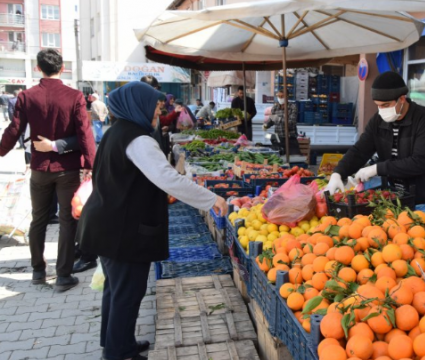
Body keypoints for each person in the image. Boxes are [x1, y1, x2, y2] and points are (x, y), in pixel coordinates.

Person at [76, 81, 227, 360]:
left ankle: (116, 343)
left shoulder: (116, 132)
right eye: (155, 108)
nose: (159, 113)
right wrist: (211, 199)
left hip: (106, 225)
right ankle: (119, 353)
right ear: (139, 106)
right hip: (121, 230)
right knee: (127, 293)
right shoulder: (139, 140)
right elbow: (168, 179)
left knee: (115, 289)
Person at [0, 49, 96, 292]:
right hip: (68, 169)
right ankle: (63, 275)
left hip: (40, 168)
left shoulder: (27, 96)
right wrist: (91, 164)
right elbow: (85, 133)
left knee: (39, 219)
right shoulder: (74, 96)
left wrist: (1, 151)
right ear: (62, 68)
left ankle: (38, 270)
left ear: (38, 68)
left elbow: (15, 129)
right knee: (67, 219)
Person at [323, 71, 425, 206]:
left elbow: (420, 162)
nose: (381, 110)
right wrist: (339, 173)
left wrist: (376, 169)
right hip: (402, 198)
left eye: (386, 105)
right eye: (378, 105)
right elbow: (360, 150)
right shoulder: (378, 120)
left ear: (401, 99)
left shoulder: (424, 119)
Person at [263, 90, 301, 155]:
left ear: (287, 97)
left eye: (282, 96)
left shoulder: (292, 107)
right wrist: (267, 125)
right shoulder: (275, 107)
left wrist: (278, 119)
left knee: (294, 157)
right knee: (279, 157)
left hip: (290, 138)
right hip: (278, 137)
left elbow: (291, 122)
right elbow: (272, 119)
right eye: (278, 96)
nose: (280, 98)